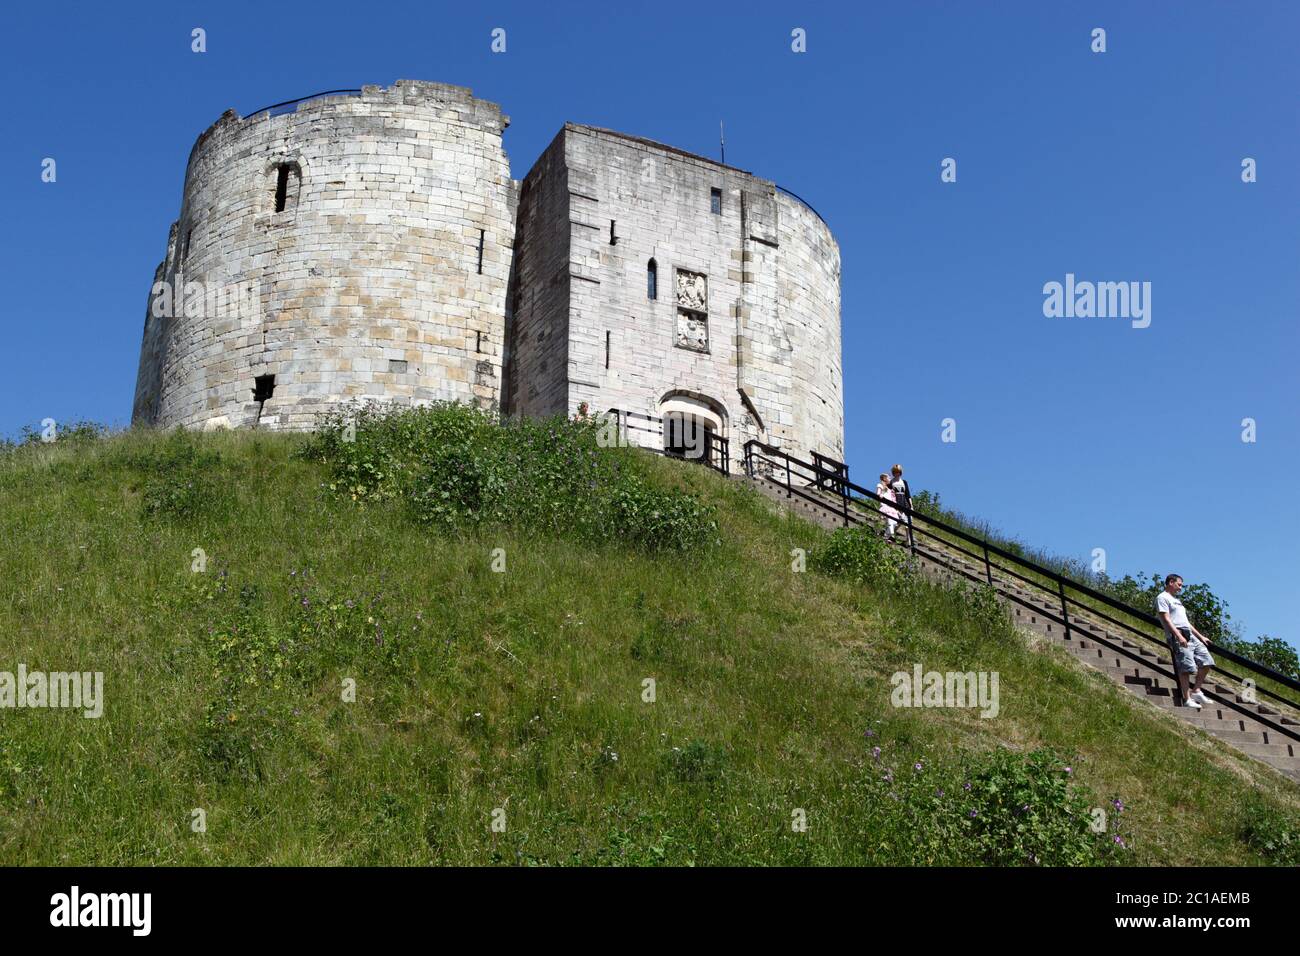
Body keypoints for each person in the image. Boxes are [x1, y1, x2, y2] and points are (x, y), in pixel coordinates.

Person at [1155, 573, 1214, 709]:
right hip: (1178, 634)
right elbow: (1166, 619)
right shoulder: (1162, 598)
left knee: (1207, 661)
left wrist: (1201, 636)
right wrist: (1178, 636)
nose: (1180, 588)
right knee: (1186, 667)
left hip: (1189, 634)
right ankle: (1187, 699)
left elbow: (1187, 622)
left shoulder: (1177, 600)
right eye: (1179, 584)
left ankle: (1196, 691)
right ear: (1171, 582)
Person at [889, 464, 913, 545]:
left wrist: (911, 505)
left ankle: (908, 540)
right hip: (896, 503)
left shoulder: (904, 482)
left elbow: (908, 495)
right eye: (895, 472)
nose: (897, 473)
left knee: (907, 523)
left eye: (898, 472)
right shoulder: (891, 482)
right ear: (893, 472)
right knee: (898, 521)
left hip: (905, 503)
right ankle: (891, 534)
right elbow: (889, 494)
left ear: (900, 472)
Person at [876, 473, 900, 540]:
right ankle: (891, 535)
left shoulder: (890, 490)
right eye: (889, 478)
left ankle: (886, 535)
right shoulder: (880, 485)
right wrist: (880, 495)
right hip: (885, 505)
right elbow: (878, 493)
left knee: (894, 522)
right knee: (889, 520)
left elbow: (893, 499)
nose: (890, 479)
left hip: (891, 507)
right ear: (884, 478)